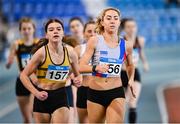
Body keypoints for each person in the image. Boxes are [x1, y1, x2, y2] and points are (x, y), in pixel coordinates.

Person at [79, 7, 135, 123]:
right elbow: (80, 66)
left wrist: (131, 79)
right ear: (102, 22)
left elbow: (130, 65)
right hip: (95, 93)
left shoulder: (126, 45)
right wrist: (95, 68)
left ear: (119, 23)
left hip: (116, 92)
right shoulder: (94, 41)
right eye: (108, 18)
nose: (112, 21)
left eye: (115, 18)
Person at [20, 19, 82, 123]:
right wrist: (36, 93)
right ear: (46, 35)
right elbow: (23, 75)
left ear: (63, 33)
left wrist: (78, 80)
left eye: (58, 29)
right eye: (51, 30)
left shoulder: (71, 52)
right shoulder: (41, 53)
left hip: (61, 96)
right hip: (42, 97)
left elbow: (78, 75)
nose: (55, 31)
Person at [6, 17, 38, 123]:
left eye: (29, 28)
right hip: (22, 82)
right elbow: (8, 64)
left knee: (34, 113)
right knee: (27, 119)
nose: (27, 31)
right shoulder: (16, 45)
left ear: (33, 29)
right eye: (24, 29)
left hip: (36, 81)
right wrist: (9, 62)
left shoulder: (38, 44)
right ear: (20, 31)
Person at [120, 18, 149, 123]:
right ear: (124, 28)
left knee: (132, 102)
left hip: (135, 73)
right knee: (122, 103)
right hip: (122, 74)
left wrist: (145, 63)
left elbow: (141, 53)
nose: (131, 29)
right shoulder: (121, 41)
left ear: (136, 27)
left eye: (133, 26)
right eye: (128, 27)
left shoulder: (140, 40)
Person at [74, 20, 96, 123]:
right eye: (89, 31)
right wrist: (74, 76)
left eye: (95, 31)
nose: (92, 34)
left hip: (99, 90)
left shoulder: (105, 50)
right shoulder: (78, 49)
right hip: (83, 90)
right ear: (84, 33)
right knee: (83, 122)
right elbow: (69, 70)